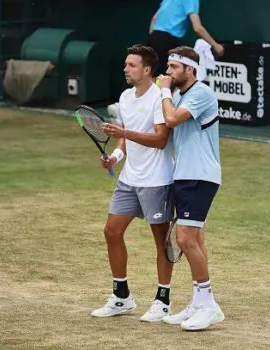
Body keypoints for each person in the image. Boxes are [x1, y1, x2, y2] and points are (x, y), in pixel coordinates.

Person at [90, 44, 175, 323]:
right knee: (112, 231)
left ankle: (162, 301)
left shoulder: (160, 98)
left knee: (161, 241)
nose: (126, 69)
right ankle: (122, 297)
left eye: (132, 65)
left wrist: (124, 131)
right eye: (126, 64)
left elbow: (161, 140)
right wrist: (115, 156)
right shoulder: (125, 97)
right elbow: (124, 139)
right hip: (129, 178)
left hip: (157, 180)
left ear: (147, 69)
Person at [156, 46, 224, 331]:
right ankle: (198, 301)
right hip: (185, 175)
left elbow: (171, 120)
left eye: (174, 67)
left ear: (189, 69)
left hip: (200, 175)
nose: (169, 72)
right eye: (168, 67)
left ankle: (208, 305)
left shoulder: (201, 93)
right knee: (195, 239)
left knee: (185, 239)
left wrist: (163, 90)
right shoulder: (182, 96)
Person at [107, 0, 225, 119]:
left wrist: (154, 40)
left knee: (151, 78)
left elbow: (154, 19)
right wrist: (215, 45)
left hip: (154, 37)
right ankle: (123, 109)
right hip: (166, 40)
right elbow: (197, 27)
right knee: (163, 79)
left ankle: (126, 109)